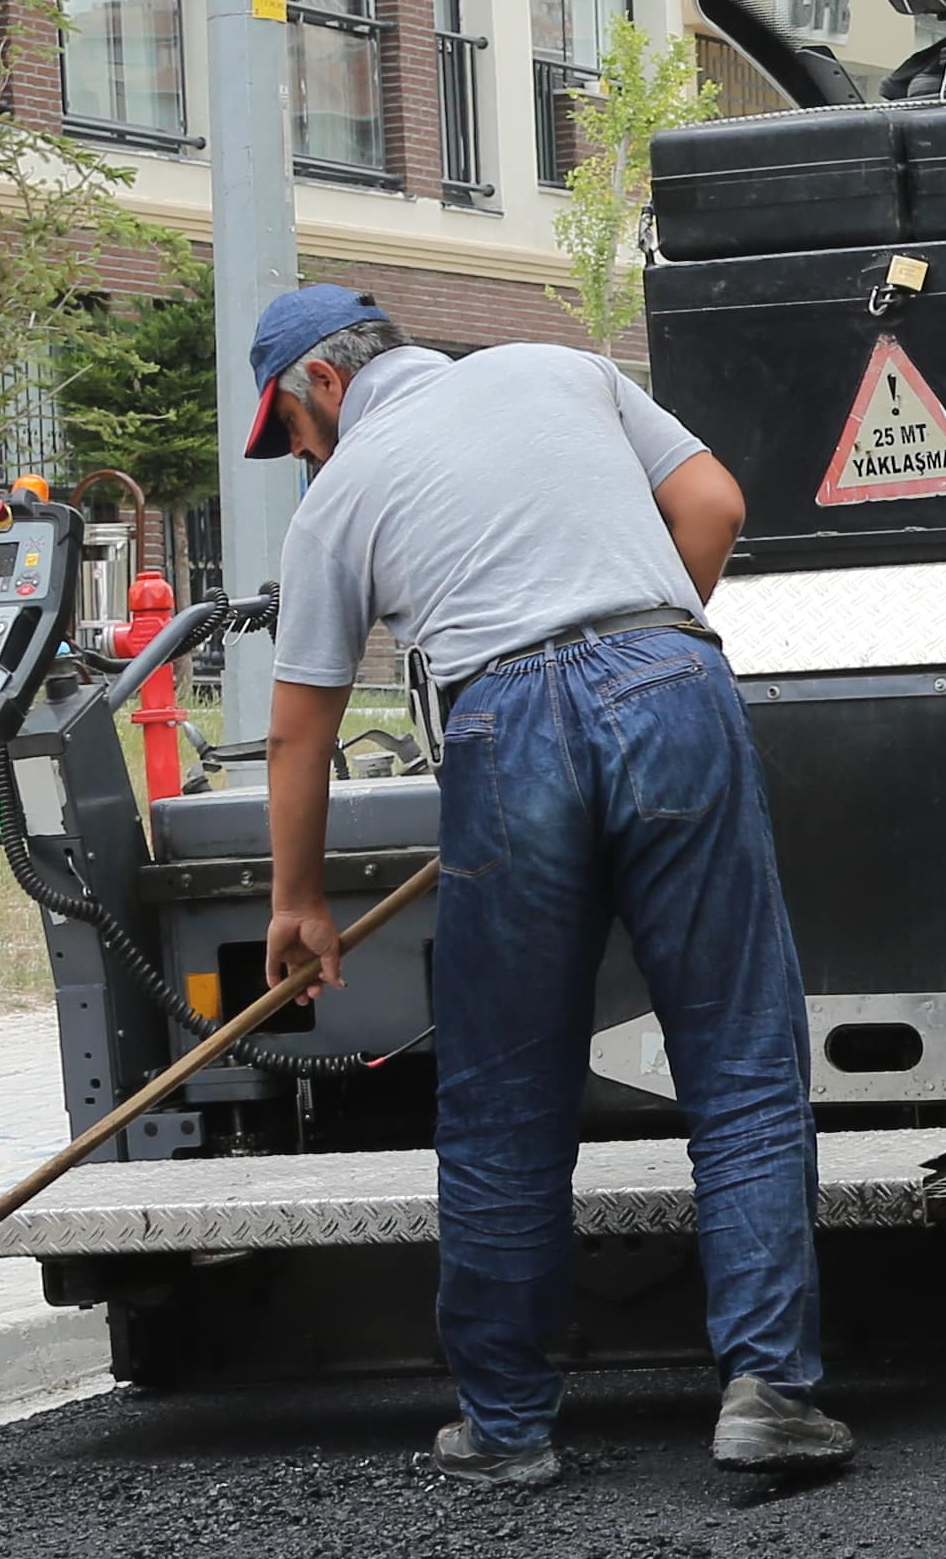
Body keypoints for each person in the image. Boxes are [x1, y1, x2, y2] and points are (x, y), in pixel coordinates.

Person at [244, 285, 846, 1490]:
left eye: (294, 435)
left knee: (504, 1097)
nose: (303, 461)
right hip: (671, 680)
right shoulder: (557, 367)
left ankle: (509, 1428)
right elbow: (715, 503)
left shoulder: (342, 501)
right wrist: (639, 655)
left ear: (321, 383)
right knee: (738, 1062)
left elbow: (299, 731)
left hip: (502, 722)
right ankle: (771, 1393)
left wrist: (298, 902)